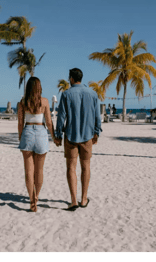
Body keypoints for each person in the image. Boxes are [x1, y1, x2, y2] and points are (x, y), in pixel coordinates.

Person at [54, 68, 102, 211]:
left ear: (71, 78)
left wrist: (58, 135)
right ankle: (84, 198)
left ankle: (74, 200)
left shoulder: (66, 94)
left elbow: (61, 116)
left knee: (71, 168)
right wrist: (96, 132)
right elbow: (97, 116)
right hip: (87, 135)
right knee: (86, 166)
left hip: (71, 135)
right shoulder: (93, 94)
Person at [17, 76, 55, 212]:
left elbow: (20, 124)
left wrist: (20, 137)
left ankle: (32, 200)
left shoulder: (22, 103)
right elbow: (49, 123)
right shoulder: (44, 101)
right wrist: (54, 136)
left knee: (29, 171)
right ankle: (37, 196)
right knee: (39, 171)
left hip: (27, 132)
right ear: (39, 88)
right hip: (41, 133)